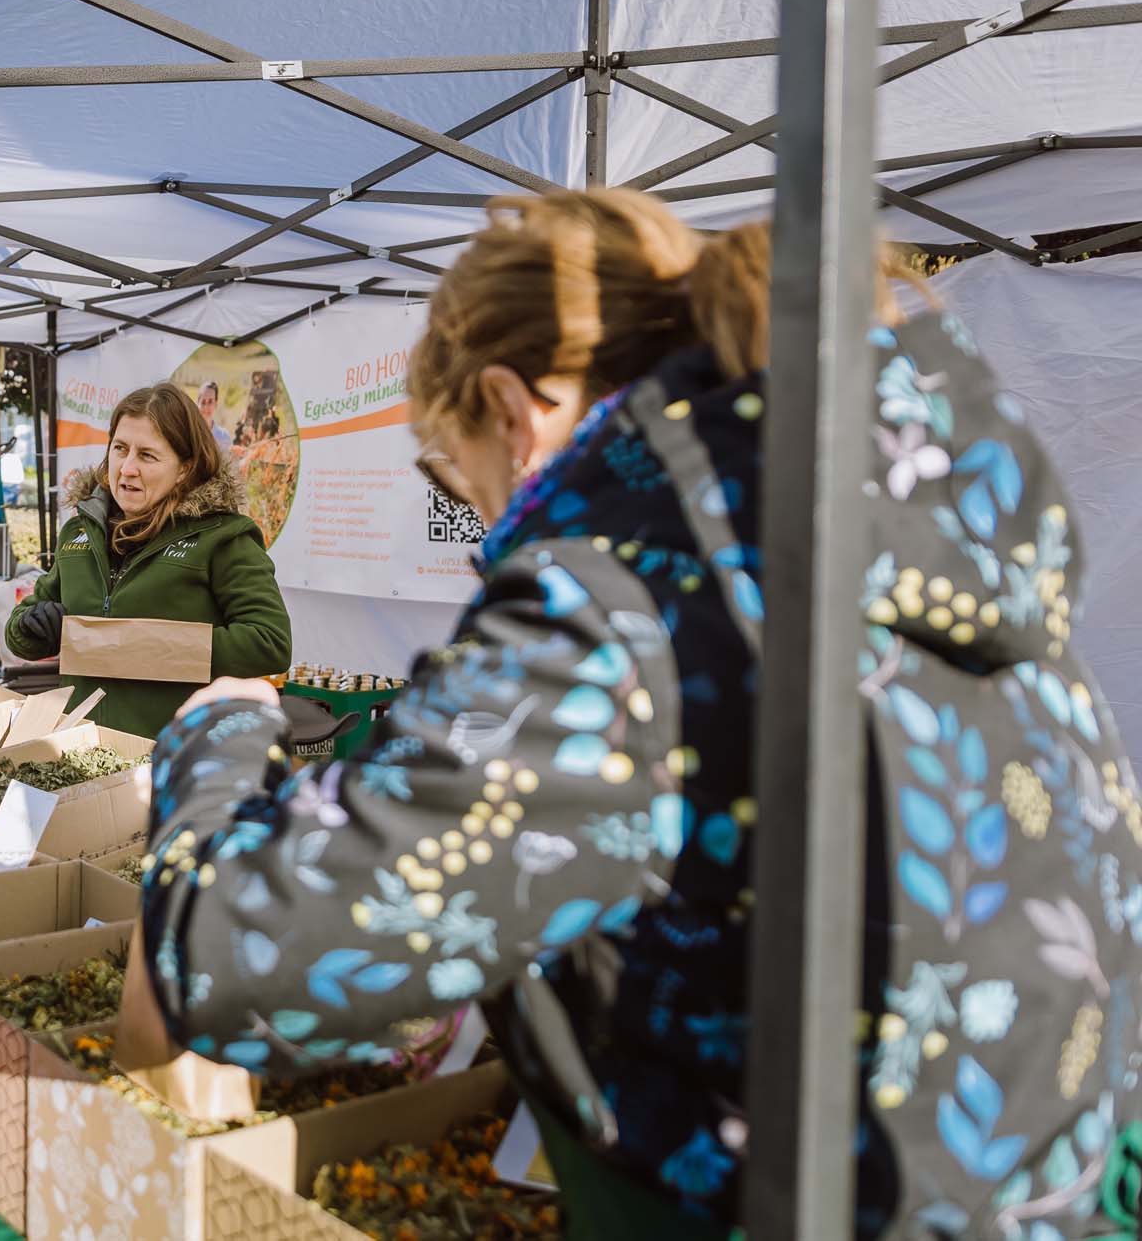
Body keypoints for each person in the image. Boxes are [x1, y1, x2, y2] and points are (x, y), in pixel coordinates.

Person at [135, 189, 1142, 1237]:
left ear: (513, 411)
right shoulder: (906, 524)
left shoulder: (623, 599)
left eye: (454, 474)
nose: (479, 519)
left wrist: (218, 738)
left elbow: (226, 962)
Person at [5, 382, 291, 738]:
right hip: (80, 750)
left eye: (147, 456)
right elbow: (21, 633)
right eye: (120, 449)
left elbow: (270, 642)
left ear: (185, 468)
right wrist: (32, 626)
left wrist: (151, 646)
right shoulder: (80, 531)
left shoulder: (223, 537)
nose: (127, 468)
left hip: (170, 752)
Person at [196, 379, 233, 453]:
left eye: (210, 402)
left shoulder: (224, 437)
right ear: (197, 404)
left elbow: (228, 460)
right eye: (203, 402)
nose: (206, 407)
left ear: (215, 404)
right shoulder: (189, 432)